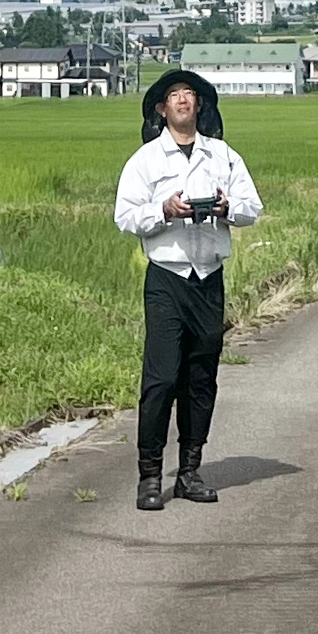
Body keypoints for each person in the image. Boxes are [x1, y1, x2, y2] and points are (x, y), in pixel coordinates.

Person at [113, 65, 264, 510]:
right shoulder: (145, 160)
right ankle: (150, 475)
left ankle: (191, 471)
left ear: (200, 105)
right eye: (174, 94)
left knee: (201, 377)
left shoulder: (223, 156)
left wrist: (225, 207)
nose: (182, 100)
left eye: (190, 94)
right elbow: (124, 216)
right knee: (160, 379)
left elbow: (252, 208)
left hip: (209, 277)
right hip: (167, 277)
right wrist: (164, 209)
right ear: (161, 109)